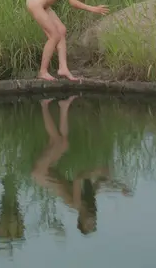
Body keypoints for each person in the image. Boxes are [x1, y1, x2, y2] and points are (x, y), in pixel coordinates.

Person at [31, 97, 132, 234]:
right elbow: (101, 183)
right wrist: (121, 188)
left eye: (88, 224)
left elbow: (78, 177)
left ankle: (46, 106)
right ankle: (62, 107)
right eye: (93, 224)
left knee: (58, 141)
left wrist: (97, 170)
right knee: (61, 143)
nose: (92, 221)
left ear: (81, 219)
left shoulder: (77, 203)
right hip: (47, 171)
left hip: (42, 173)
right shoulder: (88, 200)